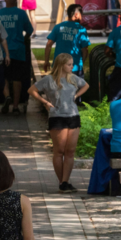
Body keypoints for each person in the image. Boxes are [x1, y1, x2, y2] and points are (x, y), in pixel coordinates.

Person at [30, 53, 89, 191]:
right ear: (61, 65)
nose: (72, 66)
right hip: (57, 117)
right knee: (59, 151)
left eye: (72, 64)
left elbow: (86, 86)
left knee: (70, 151)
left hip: (73, 116)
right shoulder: (49, 79)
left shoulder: (73, 78)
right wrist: (45, 102)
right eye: (69, 64)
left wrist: (76, 95)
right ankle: (61, 181)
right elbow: (32, 90)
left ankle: (65, 182)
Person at [0, 0, 34, 114]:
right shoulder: (21, 14)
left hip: (2, 52)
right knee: (17, 79)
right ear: (16, 1)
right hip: (18, 51)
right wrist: (25, 39)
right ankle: (16, 107)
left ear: (5, 1)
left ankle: (7, 97)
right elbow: (30, 30)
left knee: (3, 77)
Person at [44, 3, 91, 77]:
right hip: (74, 67)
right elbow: (85, 49)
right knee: (76, 87)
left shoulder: (58, 27)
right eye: (81, 14)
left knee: (59, 87)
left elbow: (48, 44)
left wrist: (46, 61)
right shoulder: (81, 29)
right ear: (76, 15)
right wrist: (81, 63)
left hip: (58, 67)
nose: (82, 17)